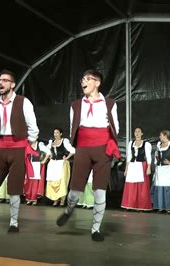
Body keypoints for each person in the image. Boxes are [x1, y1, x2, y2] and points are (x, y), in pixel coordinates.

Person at [56, 69, 120, 242]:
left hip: (102, 150)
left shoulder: (110, 104)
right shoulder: (76, 105)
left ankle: (95, 229)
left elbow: (116, 127)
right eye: (82, 78)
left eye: (87, 79)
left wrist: (109, 143)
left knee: (100, 191)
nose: (82, 81)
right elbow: (73, 127)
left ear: (97, 82)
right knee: (75, 191)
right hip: (83, 149)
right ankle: (68, 210)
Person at [0, 69, 39, 233]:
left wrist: (27, 142)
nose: (1, 82)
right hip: (2, 146)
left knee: (14, 186)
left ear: (13, 84)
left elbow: (33, 127)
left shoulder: (23, 102)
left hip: (18, 147)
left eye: (5, 80)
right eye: (0, 80)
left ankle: (13, 222)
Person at [121, 127, 152, 211]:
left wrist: (149, 167)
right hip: (132, 166)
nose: (137, 133)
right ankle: (130, 205)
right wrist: (126, 169)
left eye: (139, 132)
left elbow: (148, 156)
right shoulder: (131, 143)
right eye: (135, 132)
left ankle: (141, 206)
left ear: (142, 133)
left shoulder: (146, 144)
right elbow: (129, 156)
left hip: (141, 165)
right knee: (131, 186)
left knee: (142, 186)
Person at [150, 130, 170, 213]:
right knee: (159, 187)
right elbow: (156, 154)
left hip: (168, 169)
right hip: (160, 168)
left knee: (167, 188)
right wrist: (157, 160)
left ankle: (169, 208)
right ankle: (160, 206)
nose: (159, 137)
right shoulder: (159, 145)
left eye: (161, 135)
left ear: (166, 136)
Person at [45, 128, 75, 206]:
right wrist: (49, 156)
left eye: (57, 133)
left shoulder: (64, 141)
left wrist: (67, 157)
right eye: (54, 132)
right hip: (53, 164)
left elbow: (73, 150)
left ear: (61, 134)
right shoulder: (51, 142)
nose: (55, 134)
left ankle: (62, 200)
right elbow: (47, 150)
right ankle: (56, 199)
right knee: (53, 181)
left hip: (61, 163)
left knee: (62, 182)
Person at [24, 141, 49, 206]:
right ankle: (28, 198)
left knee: (35, 182)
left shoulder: (40, 144)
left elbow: (48, 152)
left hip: (36, 164)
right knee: (29, 182)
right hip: (29, 164)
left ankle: (34, 199)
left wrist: (44, 160)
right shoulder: (27, 144)